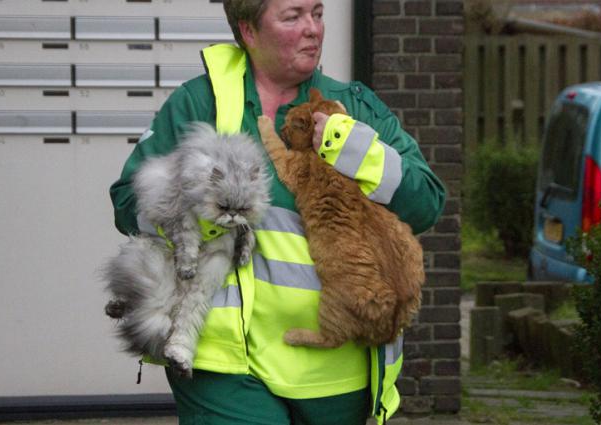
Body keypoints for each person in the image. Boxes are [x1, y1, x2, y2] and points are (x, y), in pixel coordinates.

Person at [109, 0, 446, 423]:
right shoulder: (199, 103)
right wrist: (198, 218)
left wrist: (360, 153)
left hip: (335, 366)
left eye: (318, 14)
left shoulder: (351, 107)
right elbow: (127, 201)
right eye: (293, 16)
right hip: (225, 365)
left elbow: (428, 203)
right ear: (249, 31)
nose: (313, 29)